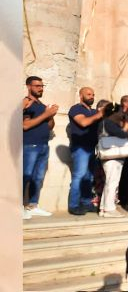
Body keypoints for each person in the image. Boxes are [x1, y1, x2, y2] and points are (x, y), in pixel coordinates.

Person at [22, 76, 58, 219]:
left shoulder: (42, 105)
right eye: (37, 86)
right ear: (29, 86)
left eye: (42, 86)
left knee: (38, 178)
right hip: (30, 145)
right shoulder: (26, 103)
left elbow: (50, 126)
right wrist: (46, 114)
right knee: (25, 176)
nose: (40, 88)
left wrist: (51, 116)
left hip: (43, 145)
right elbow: (25, 125)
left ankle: (32, 206)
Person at [67, 87, 104, 215]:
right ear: (81, 95)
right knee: (79, 176)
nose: (91, 96)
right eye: (88, 94)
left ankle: (86, 202)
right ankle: (74, 205)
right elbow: (83, 122)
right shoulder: (76, 109)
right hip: (80, 148)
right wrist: (99, 114)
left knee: (89, 177)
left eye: (93, 94)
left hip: (92, 147)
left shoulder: (93, 111)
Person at [98, 103, 128, 218]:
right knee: (112, 182)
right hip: (112, 156)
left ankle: (104, 208)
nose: (122, 114)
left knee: (110, 181)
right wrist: (127, 124)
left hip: (112, 155)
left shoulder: (106, 122)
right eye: (120, 112)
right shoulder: (109, 123)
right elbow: (123, 134)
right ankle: (109, 209)